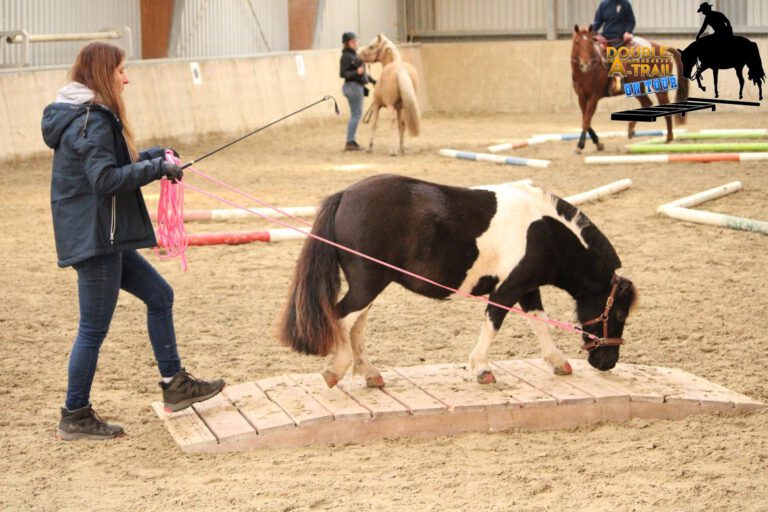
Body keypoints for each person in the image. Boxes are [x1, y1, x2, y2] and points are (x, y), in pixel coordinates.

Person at [41, 42, 225, 441]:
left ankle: (174, 384)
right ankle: (74, 414)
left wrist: (155, 155)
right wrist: (157, 169)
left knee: (160, 295)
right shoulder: (90, 120)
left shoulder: (88, 117)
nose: (127, 78)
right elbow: (104, 180)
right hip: (98, 238)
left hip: (106, 235)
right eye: (121, 71)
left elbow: (111, 163)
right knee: (92, 330)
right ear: (104, 74)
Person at [339, 31, 375, 151]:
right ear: (348, 43)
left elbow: (363, 73)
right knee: (356, 114)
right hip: (353, 86)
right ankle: (350, 141)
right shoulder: (346, 56)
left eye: (355, 41)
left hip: (356, 86)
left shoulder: (354, 56)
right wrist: (356, 72)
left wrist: (374, 81)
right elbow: (343, 73)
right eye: (353, 41)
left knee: (356, 114)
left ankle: (351, 141)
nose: (356, 43)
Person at [592, 0, 637, 95]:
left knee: (616, 59)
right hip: (606, 39)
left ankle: (619, 83)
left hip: (621, 39)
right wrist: (593, 33)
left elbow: (631, 21)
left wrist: (628, 32)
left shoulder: (625, 4)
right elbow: (597, 22)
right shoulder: (603, 5)